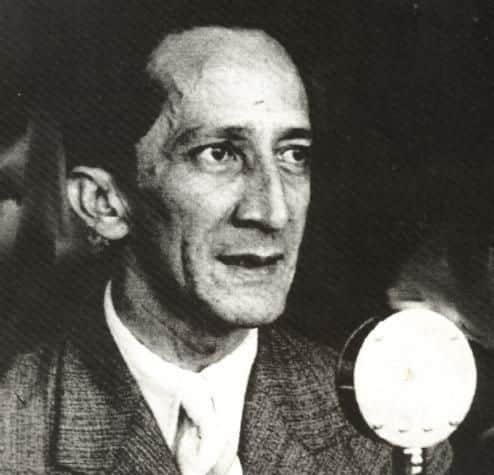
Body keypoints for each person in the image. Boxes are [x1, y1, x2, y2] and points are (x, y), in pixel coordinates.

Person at [0, 24, 451, 474]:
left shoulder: (390, 429)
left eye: (293, 154)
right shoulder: (14, 432)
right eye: (219, 153)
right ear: (105, 203)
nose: (274, 212)